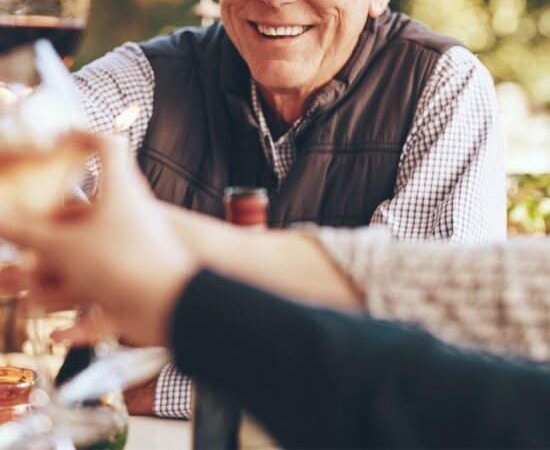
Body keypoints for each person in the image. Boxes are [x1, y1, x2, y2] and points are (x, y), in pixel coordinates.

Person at [73, 0, 506, 415]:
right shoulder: (150, 76)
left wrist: (166, 383)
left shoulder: (442, 88)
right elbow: (27, 148)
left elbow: (435, 349)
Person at [0, 134, 547, 450]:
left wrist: (179, 305)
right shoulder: (176, 61)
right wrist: (151, 243)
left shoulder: (436, 76)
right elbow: (468, 287)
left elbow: (450, 393)